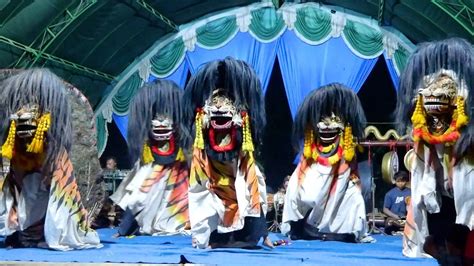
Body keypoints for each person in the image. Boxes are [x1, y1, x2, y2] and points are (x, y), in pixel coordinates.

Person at [0, 68, 101, 250]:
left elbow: (59, 188)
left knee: (45, 199)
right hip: (26, 180)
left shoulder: (54, 152)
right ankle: (23, 232)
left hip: (47, 184)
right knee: (22, 197)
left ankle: (44, 233)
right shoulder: (14, 148)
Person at [396, 38, 474, 257]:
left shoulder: (462, 90)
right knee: (427, 197)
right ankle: (438, 243)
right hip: (433, 163)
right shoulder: (424, 107)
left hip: (462, 157)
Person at [184, 57, 271, 249]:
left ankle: (249, 234)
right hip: (213, 181)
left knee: (253, 183)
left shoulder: (242, 140)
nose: (219, 107)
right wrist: (199, 234)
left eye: (226, 104)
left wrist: (263, 231)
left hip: (237, 175)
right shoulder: (202, 147)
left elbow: (253, 188)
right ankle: (212, 237)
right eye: (214, 103)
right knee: (203, 193)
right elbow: (197, 188)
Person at [282, 83, 371, 243]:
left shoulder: (346, 144)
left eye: (332, 123)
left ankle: (344, 232)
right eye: (323, 122)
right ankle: (300, 227)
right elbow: (305, 163)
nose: (327, 127)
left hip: (340, 174)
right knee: (298, 189)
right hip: (314, 168)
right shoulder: (312, 145)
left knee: (354, 197)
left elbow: (350, 164)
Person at [110, 80, 190, 237]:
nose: (161, 122)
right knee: (137, 197)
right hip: (153, 165)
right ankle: (126, 229)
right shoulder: (147, 151)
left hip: (177, 170)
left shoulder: (184, 147)